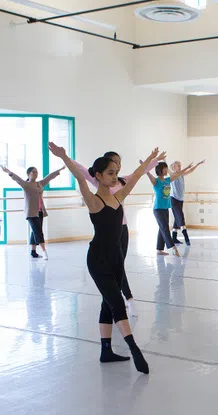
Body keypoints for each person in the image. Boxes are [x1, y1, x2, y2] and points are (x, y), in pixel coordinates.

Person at [48, 141, 155, 373]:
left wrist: (148, 159)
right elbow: (79, 177)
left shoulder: (118, 197)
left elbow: (136, 176)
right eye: (110, 173)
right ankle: (134, 349)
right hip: (98, 261)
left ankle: (106, 351)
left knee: (108, 303)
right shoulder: (94, 202)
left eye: (116, 172)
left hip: (116, 259)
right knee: (117, 303)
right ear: (98, 175)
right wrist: (64, 157)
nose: (115, 177)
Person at [71, 151, 162, 316]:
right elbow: (81, 172)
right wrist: (64, 157)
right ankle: (125, 299)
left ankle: (115, 302)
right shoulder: (98, 181)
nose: (117, 167)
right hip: (105, 234)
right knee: (113, 269)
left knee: (119, 266)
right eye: (113, 164)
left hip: (122, 229)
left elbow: (138, 173)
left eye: (118, 164)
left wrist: (152, 160)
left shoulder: (122, 182)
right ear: (101, 173)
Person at [0, 164, 65, 258]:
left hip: (40, 212)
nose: (35, 173)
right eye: (33, 172)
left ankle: (33, 251)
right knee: (38, 231)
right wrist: (9, 172)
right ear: (28, 174)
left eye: (36, 172)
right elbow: (17, 179)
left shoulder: (39, 184)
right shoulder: (26, 184)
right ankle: (44, 251)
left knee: (35, 231)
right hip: (31, 212)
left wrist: (60, 169)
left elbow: (49, 177)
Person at [144, 161, 189, 257]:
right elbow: (148, 174)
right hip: (158, 209)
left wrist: (187, 167)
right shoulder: (156, 181)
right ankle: (173, 248)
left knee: (162, 229)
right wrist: (145, 167)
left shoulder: (168, 180)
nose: (166, 170)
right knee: (165, 228)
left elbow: (179, 174)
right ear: (160, 170)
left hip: (165, 208)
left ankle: (159, 249)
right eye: (165, 168)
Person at [169, 159, 205, 246]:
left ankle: (174, 238)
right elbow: (168, 170)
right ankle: (186, 237)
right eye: (178, 166)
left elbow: (190, 170)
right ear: (174, 167)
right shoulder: (173, 175)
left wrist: (197, 164)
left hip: (180, 200)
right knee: (180, 217)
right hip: (174, 199)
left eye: (180, 165)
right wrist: (164, 159)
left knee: (177, 219)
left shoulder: (181, 175)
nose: (180, 167)